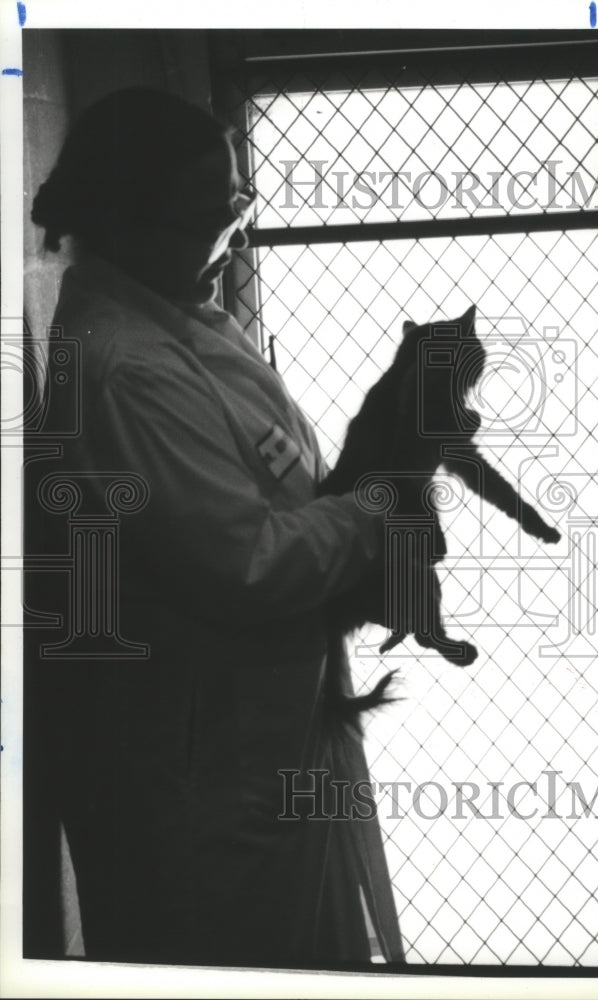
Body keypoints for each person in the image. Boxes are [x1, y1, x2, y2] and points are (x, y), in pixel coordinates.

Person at [24, 86, 405, 968]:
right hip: (206, 799)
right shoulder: (125, 369)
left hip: (263, 747)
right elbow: (249, 566)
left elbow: (282, 493)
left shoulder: (191, 323)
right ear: (130, 221)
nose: (232, 230)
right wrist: (380, 511)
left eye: (236, 203)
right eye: (211, 211)